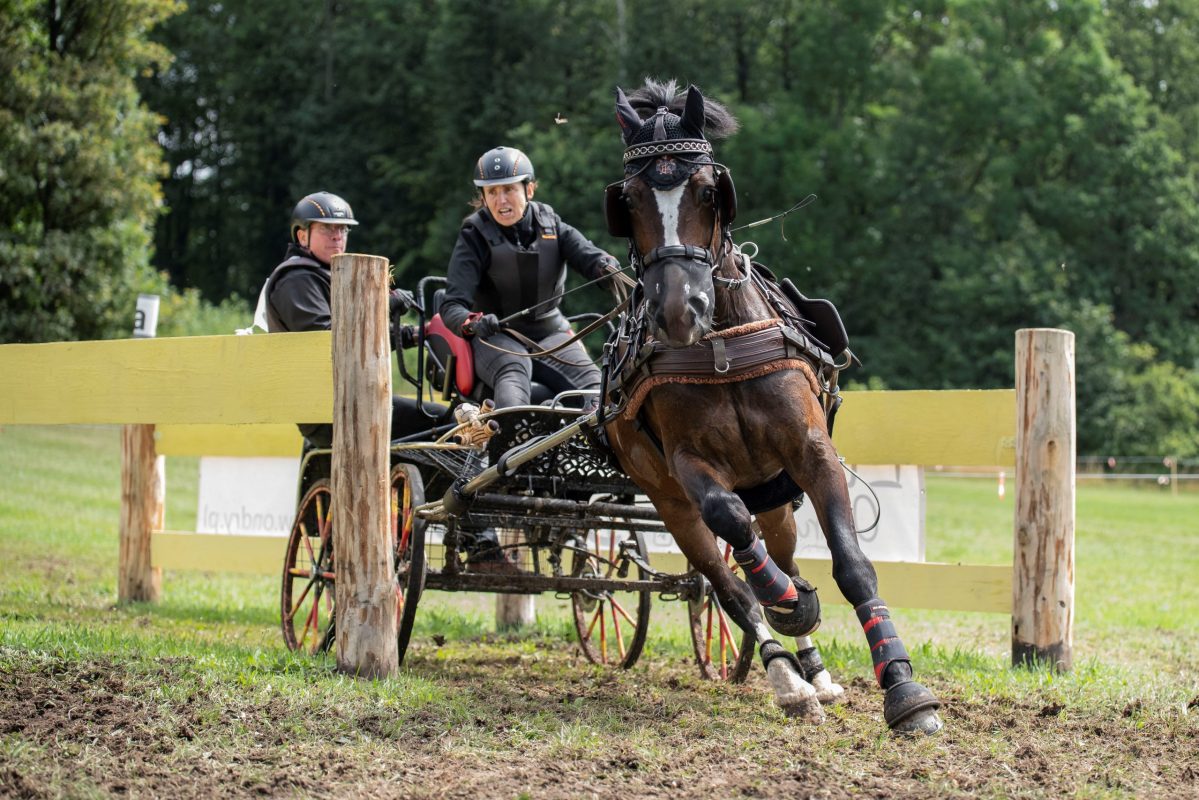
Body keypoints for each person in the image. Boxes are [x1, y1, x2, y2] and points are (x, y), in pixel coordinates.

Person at [438, 146, 623, 409]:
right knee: (514, 373)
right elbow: (451, 305)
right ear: (483, 196)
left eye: (509, 189)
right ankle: (506, 445)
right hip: (496, 339)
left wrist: (606, 268)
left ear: (530, 189)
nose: (501, 200)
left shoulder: (551, 223)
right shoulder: (473, 235)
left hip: (551, 334)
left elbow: (588, 256)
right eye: (492, 192)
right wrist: (473, 323)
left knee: (600, 392)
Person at [260, 190, 445, 448]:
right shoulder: (296, 279)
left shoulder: (331, 275)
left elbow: (361, 334)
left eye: (343, 230)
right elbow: (334, 339)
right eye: (327, 229)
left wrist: (416, 333)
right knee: (445, 423)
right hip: (330, 407)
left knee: (442, 418)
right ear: (302, 236)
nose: (337, 236)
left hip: (351, 396)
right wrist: (382, 305)